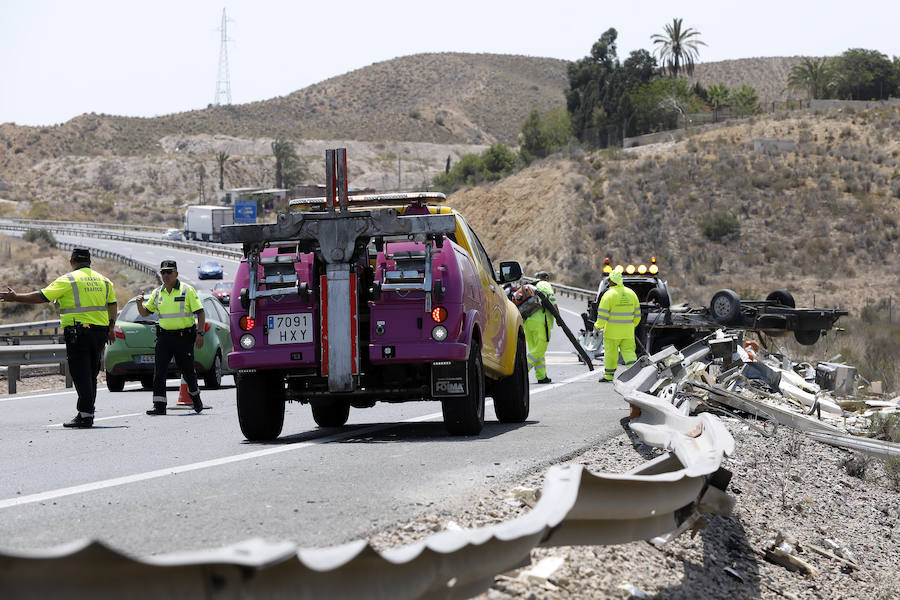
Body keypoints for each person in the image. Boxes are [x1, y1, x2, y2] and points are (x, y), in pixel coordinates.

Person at [0, 248, 117, 428]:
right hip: (100, 333)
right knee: (91, 374)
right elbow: (112, 305)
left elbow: (42, 296)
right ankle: (87, 412)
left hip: (79, 333)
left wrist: (16, 297)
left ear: (71, 262)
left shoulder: (68, 280)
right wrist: (111, 328)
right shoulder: (104, 280)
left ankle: (86, 416)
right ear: (90, 262)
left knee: (80, 374)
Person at [136, 259, 205, 415]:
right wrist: (139, 304)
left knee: (187, 372)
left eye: (169, 272)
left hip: (184, 337)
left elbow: (200, 312)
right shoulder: (157, 292)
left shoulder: (187, 290)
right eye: (163, 272)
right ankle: (159, 406)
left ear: (176, 274)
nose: (165, 275)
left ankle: (196, 399)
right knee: (159, 371)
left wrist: (200, 334)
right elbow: (146, 313)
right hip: (164, 338)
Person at [594, 269, 641, 383]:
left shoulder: (608, 295)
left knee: (611, 354)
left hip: (612, 333)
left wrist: (598, 326)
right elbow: (637, 315)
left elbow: (603, 315)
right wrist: (632, 325)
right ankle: (634, 375)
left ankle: (609, 376)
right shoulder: (631, 293)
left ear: (612, 281)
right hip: (628, 332)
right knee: (629, 353)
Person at [524, 271, 557, 384]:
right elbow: (552, 301)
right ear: (546, 278)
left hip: (528, 323)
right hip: (541, 322)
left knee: (536, 350)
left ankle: (542, 376)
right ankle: (522, 372)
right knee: (540, 349)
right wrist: (558, 317)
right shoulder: (544, 284)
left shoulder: (531, 286)